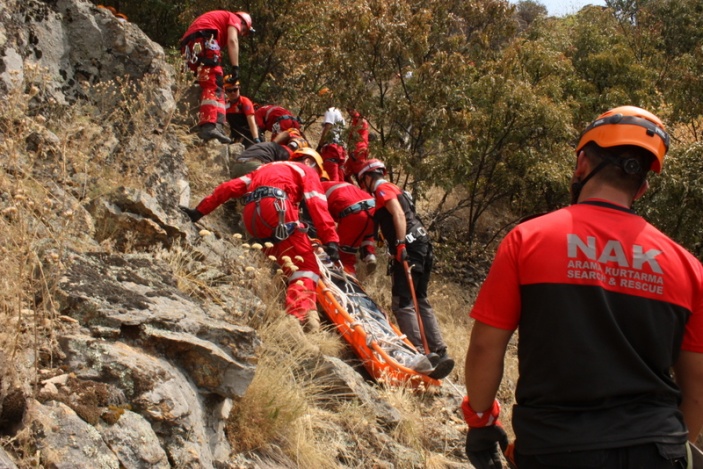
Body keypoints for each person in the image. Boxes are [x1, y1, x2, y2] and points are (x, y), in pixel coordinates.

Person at [462, 106, 703, 469]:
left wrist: (480, 422)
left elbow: (484, 346)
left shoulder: (528, 239)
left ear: (582, 166)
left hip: (554, 447)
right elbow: (697, 385)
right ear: (643, 186)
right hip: (656, 448)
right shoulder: (688, 267)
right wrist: (674, 447)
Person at [180, 151, 340, 332]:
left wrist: (199, 211)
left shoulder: (264, 169)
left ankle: (308, 317)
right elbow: (316, 204)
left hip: (252, 216)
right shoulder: (305, 169)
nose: (317, 176)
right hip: (278, 208)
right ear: (309, 161)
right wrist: (331, 239)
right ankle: (296, 319)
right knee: (305, 267)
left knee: (283, 262)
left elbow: (229, 188)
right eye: (318, 172)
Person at [357, 159, 455, 380]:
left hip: (409, 246)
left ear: (367, 177)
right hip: (422, 245)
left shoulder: (382, 188)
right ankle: (439, 351)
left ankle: (418, 354)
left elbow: (398, 215)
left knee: (403, 302)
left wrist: (400, 243)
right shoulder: (397, 188)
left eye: (362, 181)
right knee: (420, 298)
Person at [291, 149, 377, 275]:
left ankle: (349, 283)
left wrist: (324, 243)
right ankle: (369, 254)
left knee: (345, 257)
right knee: (366, 234)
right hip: (373, 210)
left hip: (353, 213)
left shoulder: (315, 190)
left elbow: (316, 220)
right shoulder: (337, 185)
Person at [180, 11, 254, 144]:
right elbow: (233, 40)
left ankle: (217, 125)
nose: (242, 34)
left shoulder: (217, 19)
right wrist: (235, 68)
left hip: (189, 44)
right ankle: (209, 125)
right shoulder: (234, 18)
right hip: (204, 38)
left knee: (206, 81)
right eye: (244, 31)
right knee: (213, 80)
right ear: (243, 22)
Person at [315, 101, 347, 182]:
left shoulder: (330, 111)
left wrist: (319, 146)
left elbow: (328, 128)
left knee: (331, 178)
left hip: (332, 148)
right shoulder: (338, 113)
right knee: (340, 178)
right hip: (340, 148)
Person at [223, 78, 259, 147]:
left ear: (239, 89)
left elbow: (251, 121)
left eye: (235, 90)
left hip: (250, 134)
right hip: (236, 136)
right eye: (229, 91)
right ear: (225, 91)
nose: (232, 93)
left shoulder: (245, 102)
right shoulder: (225, 104)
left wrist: (256, 138)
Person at [343, 108, 370, 182]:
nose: (349, 112)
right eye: (348, 110)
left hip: (358, 152)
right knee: (343, 174)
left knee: (361, 178)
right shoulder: (355, 119)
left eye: (351, 109)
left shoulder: (358, 118)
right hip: (354, 152)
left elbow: (361, 120)